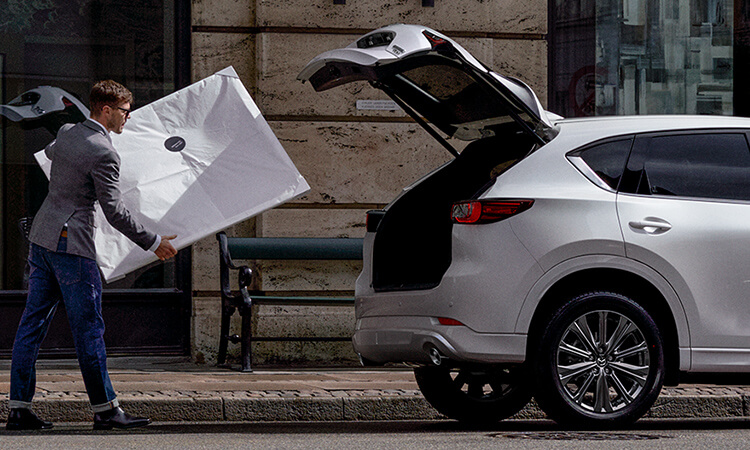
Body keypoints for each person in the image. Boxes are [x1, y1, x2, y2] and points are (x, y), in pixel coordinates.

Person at [6, 80, 178, 431]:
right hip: (72, 246)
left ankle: (19, 410)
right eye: (125, 112)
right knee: (89, 330)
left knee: (30, 326)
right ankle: (105, 411)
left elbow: (53, 153)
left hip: (42, 240)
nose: (127, 118)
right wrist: (153, 240)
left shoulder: (68, 132)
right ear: (105, 110)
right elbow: (114, 212)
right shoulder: (104, 151)